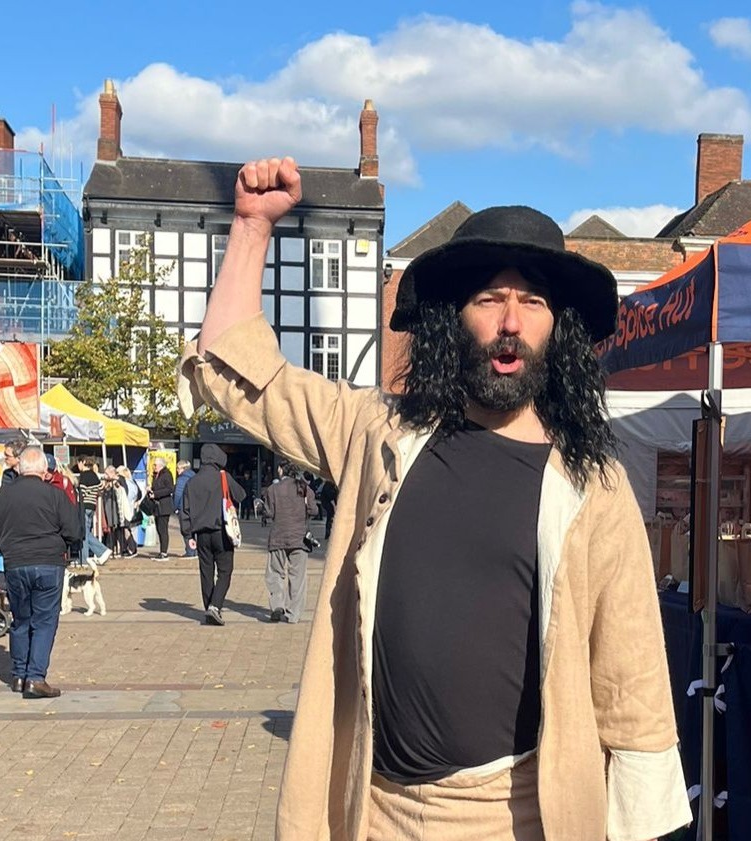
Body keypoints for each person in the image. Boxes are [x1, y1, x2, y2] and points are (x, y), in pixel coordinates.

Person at [177, 157, 688, 841]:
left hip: (518, 817)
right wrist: (249, 226)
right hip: (372, 808)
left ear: (557, 327)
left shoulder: (592, 481)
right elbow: (243, 376)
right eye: (489, 299)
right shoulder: (378, 433)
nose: (511, 320)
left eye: (532, 301)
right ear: (455, 319)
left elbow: (634, 681)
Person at [0, 446, 82, 698]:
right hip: (48, 563)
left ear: (19, 469)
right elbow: (74, 531)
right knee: (44, 621)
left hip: (16, 564)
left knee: (21, 619)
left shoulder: (3, 496)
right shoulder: (55, 495)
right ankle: (35, 677)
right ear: (44, 471)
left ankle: (19, 675)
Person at [179, 443, 245, 626]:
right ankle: (215, 606)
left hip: (201, 535)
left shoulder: (191, 481)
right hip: (222, 532)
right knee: (225, 571)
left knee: (206, 573)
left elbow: (184, 511)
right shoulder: (223, 477)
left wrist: (188, 536)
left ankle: (209, 607)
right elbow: (241, 495)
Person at [262, 464, 317, 623]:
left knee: (274, 573)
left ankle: (277, 605)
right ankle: (293, 614)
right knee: (297, 578)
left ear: (280, 469)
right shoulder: (304, 488)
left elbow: (269, 513)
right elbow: (314, 510)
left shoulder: (273, 489)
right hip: (299, 538)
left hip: (278, 537)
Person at [148, 458, 176, 561]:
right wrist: (150, 491)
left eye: (155, 465)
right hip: (157, 507)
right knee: (159, 530)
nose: (153, 467)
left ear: (161, 465)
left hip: (164, 506)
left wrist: (156, 494)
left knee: (163, 529)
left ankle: (164, 552)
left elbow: (170, 489)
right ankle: (161, 551)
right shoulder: (156, 475)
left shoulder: (167, 474)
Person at [173, 460, 197, 557]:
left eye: (178, 468)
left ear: (183, 468)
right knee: (194, 529)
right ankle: (195, 550)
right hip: (194, 508)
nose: (177, 470)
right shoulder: (195, 477)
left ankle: (190, 551)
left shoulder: (182, 479)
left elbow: (178, 494)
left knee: (186, 530)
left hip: (183, 507)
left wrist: (175, 507)